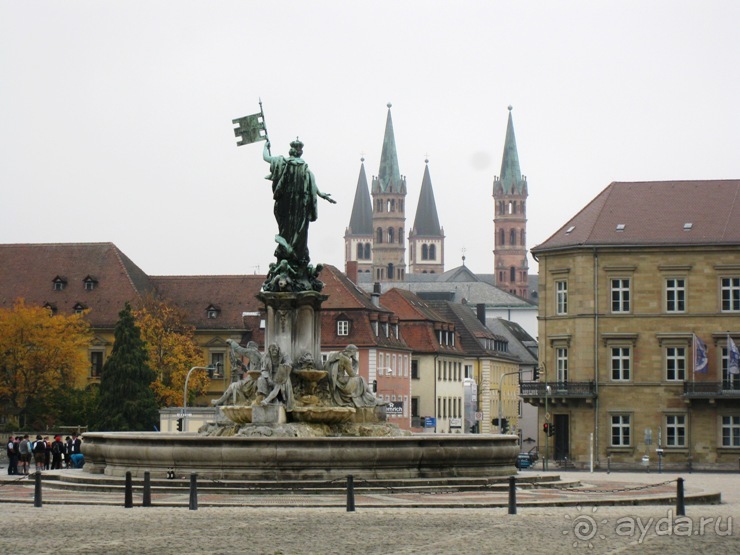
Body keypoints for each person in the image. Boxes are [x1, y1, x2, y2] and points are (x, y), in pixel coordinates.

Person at [262, 139, 335, 288]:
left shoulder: (282, 163)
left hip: (284, 206)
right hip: (300, 208)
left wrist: (266, 147)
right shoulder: (305, 169)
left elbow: (266, 158)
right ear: (300, 152)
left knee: (284, 230)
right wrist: (322, 195)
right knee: (300, 234)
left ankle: (287, 252)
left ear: (291, 151)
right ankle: (297, 257)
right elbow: (313, 186)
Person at [256, 344, 293, 408]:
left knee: (279, 384)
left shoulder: (284, 355)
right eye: (272, 349)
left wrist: (286, 364)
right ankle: (263, 396)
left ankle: (267, 400)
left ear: (278, 349)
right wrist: (268, 378)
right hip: (270, 375)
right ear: (269, 350)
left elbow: (289, 362)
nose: (274, 351)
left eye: (276, 349)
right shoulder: (265, 357)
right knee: (260, 379)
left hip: (281, 375)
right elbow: (263, 370)